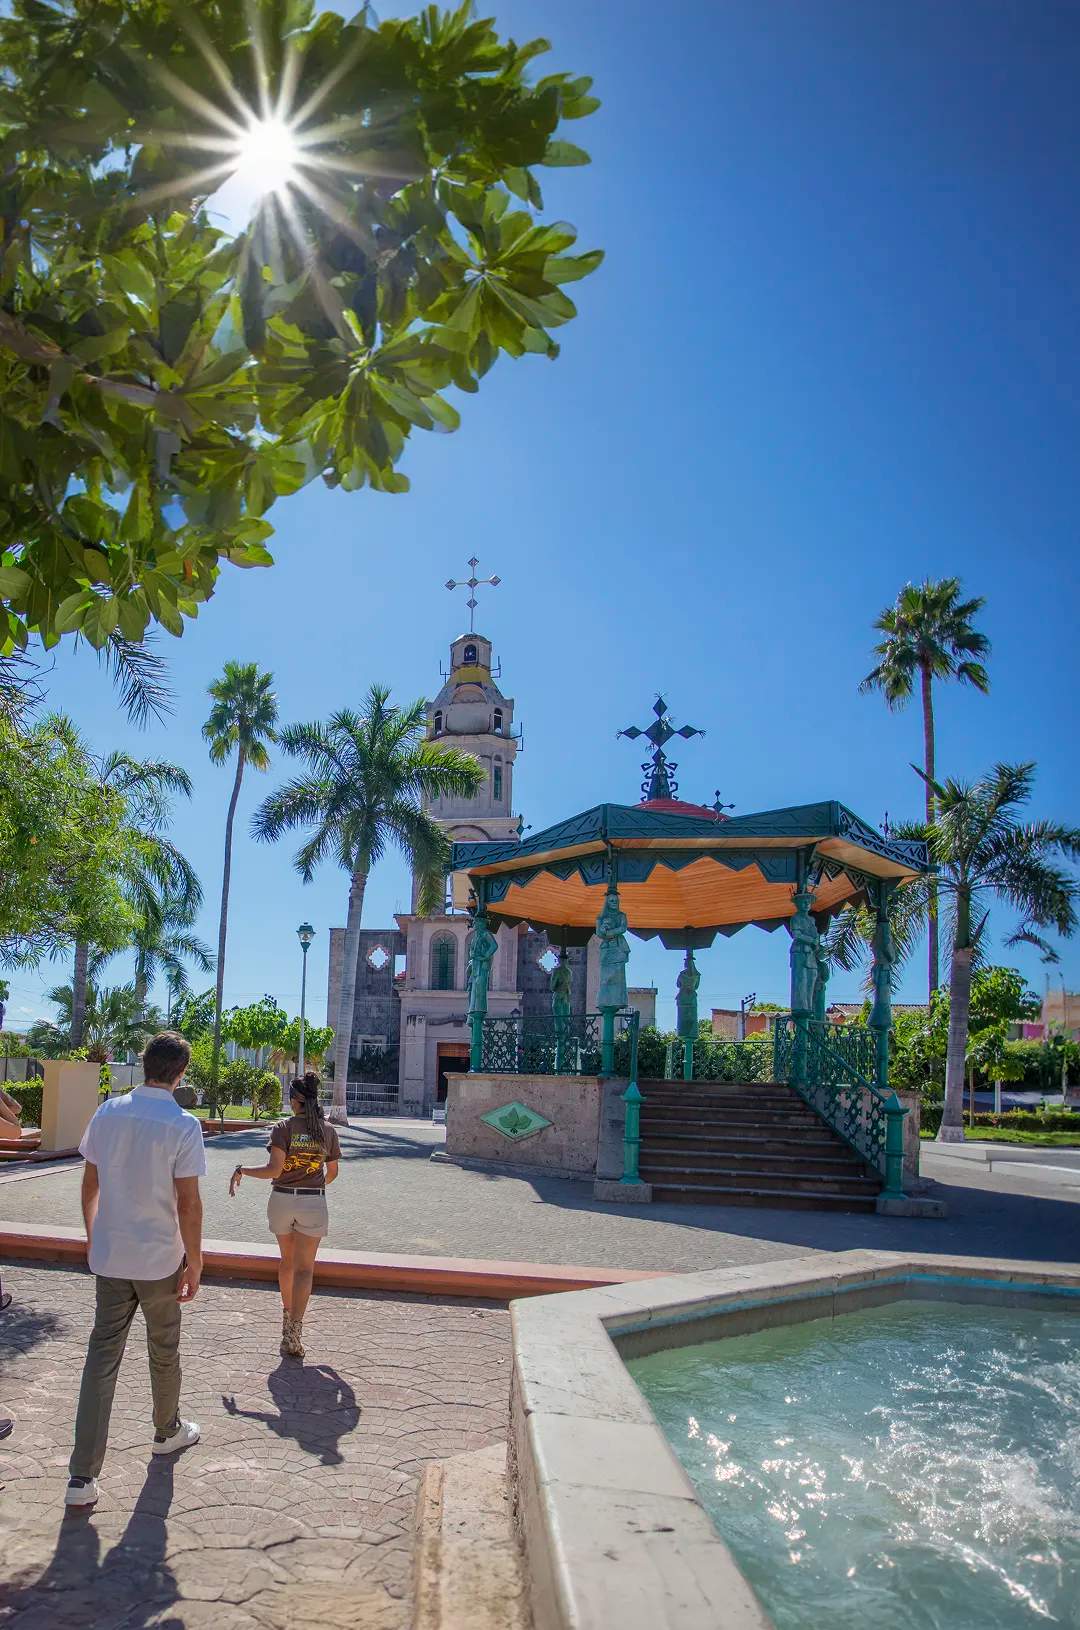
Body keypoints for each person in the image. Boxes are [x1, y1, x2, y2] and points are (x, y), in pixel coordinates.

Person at [66, 1031, 206, 1509]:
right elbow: (189, 1204)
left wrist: (93, 1236)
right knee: (163, 1350)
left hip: (111, 1257)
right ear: (180, 1073)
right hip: (159, 1260)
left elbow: (89, 1184)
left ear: (144, 1064)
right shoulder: (183, 1124)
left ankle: (81, 1478)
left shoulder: (108, 1113)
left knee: (101, 1360)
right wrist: (197, 1260)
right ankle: (166, 1431)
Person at [229, 1073, 340, 1360]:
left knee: (287, 1261)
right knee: (305, 1269)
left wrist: (242, 1170)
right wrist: (312, 1186)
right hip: (312, 1202)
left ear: (294, 1100)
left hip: (280, 1200)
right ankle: (295, 1332)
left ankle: (286, 1318)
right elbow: (333, 1173)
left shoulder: (283, 1128)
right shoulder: (327, 1131)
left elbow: (274, 1170)